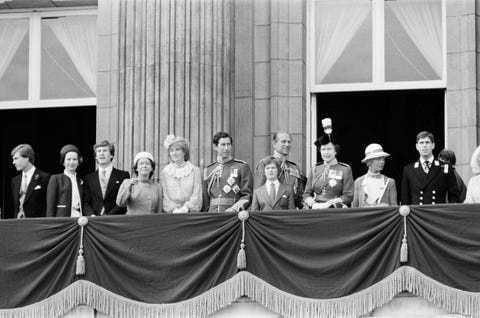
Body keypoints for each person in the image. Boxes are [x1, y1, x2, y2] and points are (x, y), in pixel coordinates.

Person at [401, 131, 460, 205]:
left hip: (437, 214)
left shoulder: (446, 168)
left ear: (433, 145)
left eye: (427, 142)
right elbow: (405, 200)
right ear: (417, 146)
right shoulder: (408, 170)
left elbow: (454, 199)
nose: (424, 145)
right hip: (417, 215)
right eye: (421, 143)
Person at [203, 131, 253, 213]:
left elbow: (247, 195)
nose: (226, 148)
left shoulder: (242, 166)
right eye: (223, 145)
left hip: (233, 215)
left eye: (228, 144)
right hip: (212, 215)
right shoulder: (209, 169)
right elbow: (205, 199)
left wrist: (234, 208)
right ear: (215, 147)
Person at [254, 132, 306, 209]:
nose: (287, 144)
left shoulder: (294, 167)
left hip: (291, 212)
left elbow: (300, 194)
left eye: (289, 142)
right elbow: (259, 193)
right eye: (283, 141)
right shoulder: (265, 164)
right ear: (274, 144)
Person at [303, 134, 354, 209]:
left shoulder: (345, 169)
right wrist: (313, 204)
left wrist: (331, 203)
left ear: (335, 151)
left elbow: (348, 196)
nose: (326, 153)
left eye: (329, 149)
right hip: (316, 209)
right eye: (323, 149)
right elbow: (306, 194)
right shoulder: (315, 168)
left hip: (335, 210)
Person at [83, 140, 130, 216]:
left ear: (111, 155)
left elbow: (124, 200)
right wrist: (91, 215)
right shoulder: (89, 178)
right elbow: (86, 202)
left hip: (115, 219)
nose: (101, 153)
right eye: (99, 151)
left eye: (105, 151)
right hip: (94, 220)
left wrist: (109, 217)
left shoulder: (123, 175)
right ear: (95, 156)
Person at [160, 135, 202, 213]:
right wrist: (174, 210)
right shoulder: (165, 172)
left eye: (177, 150)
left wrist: (186, 208)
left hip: (190, 212)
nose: (174, 153)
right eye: (171, 151)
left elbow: (197, 193)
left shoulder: (194, 170)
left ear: (184, 152)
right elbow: (165, 196)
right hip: (173, 214)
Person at [10, 144, 50, 218]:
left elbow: (48, 205)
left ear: (27, 158)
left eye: (16, 158)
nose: (13, 162)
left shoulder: (45, 178)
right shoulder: (15, 181)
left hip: (37, 224)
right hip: (18, 224)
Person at [46, 145, 84, 217]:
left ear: (78, 162)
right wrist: (50, 223)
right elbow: (50, 206)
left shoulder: (80, 181)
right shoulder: (55, 178)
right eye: (68, 159)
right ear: (63, 162)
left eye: (74, 159)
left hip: (78, 218)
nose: (71, 162)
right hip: (62, 219)